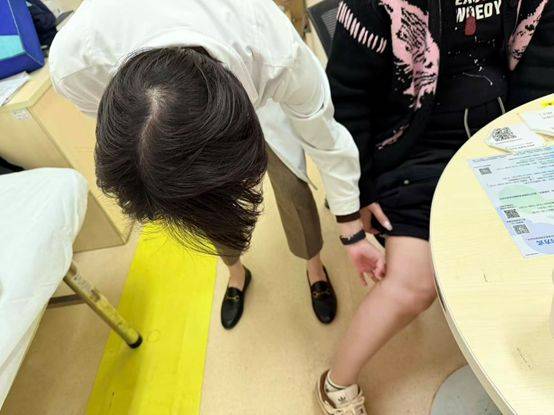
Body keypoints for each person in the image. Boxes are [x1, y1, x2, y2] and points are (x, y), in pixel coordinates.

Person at [49, 0, 387, 330]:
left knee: (292, 188)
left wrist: (349, 225)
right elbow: (115, 126)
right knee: (204, 209)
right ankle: (236, 272)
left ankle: (313, 265)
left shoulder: (271, 46)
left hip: (258, 89)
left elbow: (326, 139)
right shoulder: (75, 63)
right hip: (171, 116)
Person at [316, 0, 554, 412]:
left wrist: (533, 154)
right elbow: (346, 100)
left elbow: (540, 72)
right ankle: (337, 382)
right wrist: (358, 195)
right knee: (412, 287)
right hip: (412, 146)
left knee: (534, 264)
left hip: (503, 132)